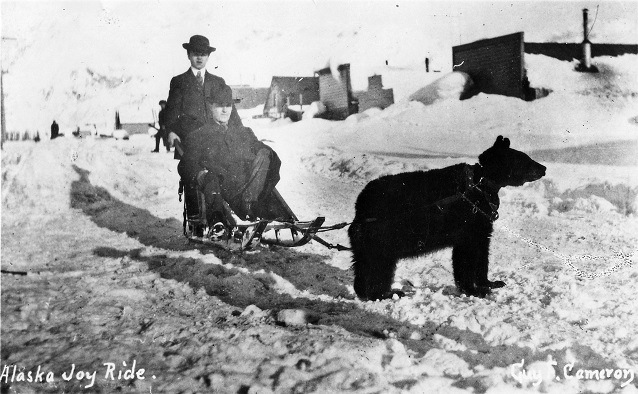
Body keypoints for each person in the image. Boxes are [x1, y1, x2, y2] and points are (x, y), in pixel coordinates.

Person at [177, 85, 281, 235]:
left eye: (228, 105)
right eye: (220, 106)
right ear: (211, 106)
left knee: (266, 154)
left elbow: (261, 150)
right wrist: (200, 175)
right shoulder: (199, 136)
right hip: (221, 191)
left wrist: (264, 153)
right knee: (211, 177)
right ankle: (227, 219)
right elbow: (185, 165)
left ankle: (250, 208)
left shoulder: (244, 133)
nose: (225, 110)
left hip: (250, 189)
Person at [165, 34, 242, 155]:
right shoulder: (179, 82)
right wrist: (170, 132)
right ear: (188, 55)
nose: (199, 57)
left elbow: (231, 112)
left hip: (217, 142)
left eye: (203, 54)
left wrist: (240, 134)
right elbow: (171, 113)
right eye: (195, 53)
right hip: (189, 143)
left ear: (208, 57)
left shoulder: (218, 82)